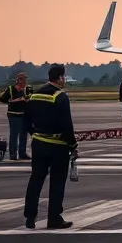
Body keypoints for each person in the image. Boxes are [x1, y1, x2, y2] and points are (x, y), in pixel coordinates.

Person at [23, 64, 76, 229]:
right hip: (57, 145)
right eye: (64, 77)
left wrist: (36, 134)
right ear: (60, 77)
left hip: (38, 143)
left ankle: (30, 217)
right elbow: (66, 124)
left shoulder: (35, 95)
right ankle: (54, 218)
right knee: (57, 182)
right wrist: (73, 144)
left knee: (36, 180)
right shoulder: (60, 96)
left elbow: (26, 120)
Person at [0, 72, 31, 160]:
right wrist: (11, 101)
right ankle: (13, 154)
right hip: (13, 114)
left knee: (23, 134)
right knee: (14, 134)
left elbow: (31, 99)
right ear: (18, 80)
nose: (25, 81)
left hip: (24, 115)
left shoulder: (27, 89)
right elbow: (2, 98)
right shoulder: (10, 89)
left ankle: (22, 153)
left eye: (25, 79)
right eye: (23, 79)